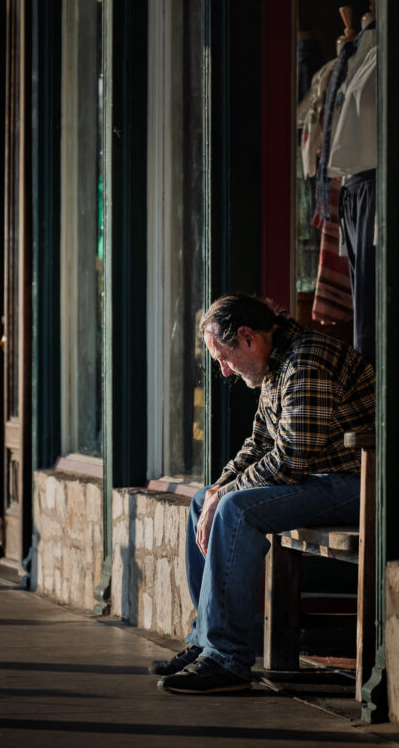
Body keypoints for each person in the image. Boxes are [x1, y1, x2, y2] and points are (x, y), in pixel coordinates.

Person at [151, 292, 375, 695]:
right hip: (317, 480)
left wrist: (228, 495)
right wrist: (220, 486)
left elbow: (290, 460)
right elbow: (258, 444)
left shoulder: (306, 362)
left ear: (248, 338)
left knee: (236, 509)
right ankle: (205, 642)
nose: (223, 371)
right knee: (205, 498)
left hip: (355, 483)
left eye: (224, 357)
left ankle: (228, 659)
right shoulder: (276, 364)